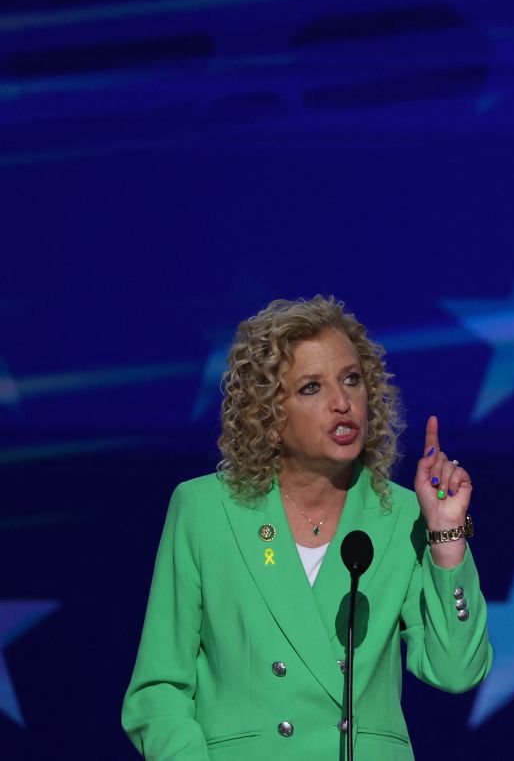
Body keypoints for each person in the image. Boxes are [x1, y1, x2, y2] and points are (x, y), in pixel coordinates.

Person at [122, 296, 492, 759]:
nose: (342, 404)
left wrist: (447, 535)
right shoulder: (204, 510)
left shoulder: (403, 516)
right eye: (311, 388)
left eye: (351, 380)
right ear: (269, 418)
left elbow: (456, 670)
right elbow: (158, 692)